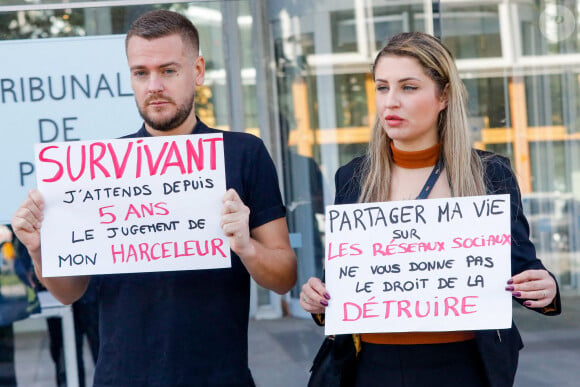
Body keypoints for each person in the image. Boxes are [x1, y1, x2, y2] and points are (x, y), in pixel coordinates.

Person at [11, 9, 297, 387]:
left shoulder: (244, 153)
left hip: (218, 376)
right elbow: (70, 292)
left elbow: (284, 277)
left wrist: (247, 248)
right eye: (141, 73)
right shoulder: (102, 168)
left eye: (168, 70)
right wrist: (38, 249)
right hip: (120, 377)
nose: (154, 85)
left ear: (197, 71)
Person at [300, 32, 561, 387]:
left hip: (462, 367)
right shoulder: (352, 177)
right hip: (372, 367)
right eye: (382, 87)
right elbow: (346, 280)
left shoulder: (489, 174)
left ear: (444, 96)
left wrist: (545, 289)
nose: (390, 102)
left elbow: (524, 268)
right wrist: (318, 299)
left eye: (408, 87)